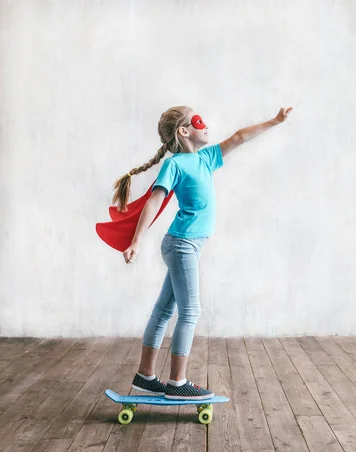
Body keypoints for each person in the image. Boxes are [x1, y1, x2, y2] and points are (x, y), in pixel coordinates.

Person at [111, 105, 293, 399]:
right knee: (190, 311)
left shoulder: (206, 158)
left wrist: (274, 121)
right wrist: (136, 241)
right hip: (182, 245)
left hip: (187, 246)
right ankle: (177, 383)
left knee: (163, 310)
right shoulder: (176, 165)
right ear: (184, 131)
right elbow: (155, 201)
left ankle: (145, 377)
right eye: (198, 121)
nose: (205, 124)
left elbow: (238, 137)